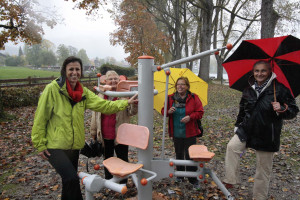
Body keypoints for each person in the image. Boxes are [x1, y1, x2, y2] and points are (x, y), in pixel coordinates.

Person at [31, 56, 138, 200]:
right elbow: (40, 117)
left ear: (81, 72)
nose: (74, 72)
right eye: (71, 69)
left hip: (74, 146)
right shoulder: (52, 89)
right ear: (64, 71)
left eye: (77, 69)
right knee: (71, 179)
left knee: (68, 181)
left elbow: (104, 106)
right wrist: (39, 143)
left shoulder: (83, 93)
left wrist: (125, 103)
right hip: (55, 145)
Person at [223, 60, 299, 200]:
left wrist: (282, 109)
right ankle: (231, 179)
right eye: (257, 71)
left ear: (270, 72)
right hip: (247, 130)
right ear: (253, 72)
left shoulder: (280, 89)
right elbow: (242, 109)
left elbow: (294, 110)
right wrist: (238, 124)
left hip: (267, 134)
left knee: (262, 170)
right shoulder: (248, 89)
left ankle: (259, 197)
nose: (260, 74)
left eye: (263, 71)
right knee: (232, 147)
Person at [90, 70, 138, 184]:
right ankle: (109, 180)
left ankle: (123, 182)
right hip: (105, 133)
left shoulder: (124, 95)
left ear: (119, 81)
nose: (113, 81)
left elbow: (131, 112)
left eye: (115, 79)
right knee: (107, 159)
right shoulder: (101, 95)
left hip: (120, 134)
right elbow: (95, 114)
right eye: (110, 79)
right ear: (105, 81)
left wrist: (135, 104)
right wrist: (93, 131)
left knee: (122, 158)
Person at [161, 77, 204, 187]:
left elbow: (200, 112)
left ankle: (192, 178)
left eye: (183, 84)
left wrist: (190, 117)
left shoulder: (194, 98)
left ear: (187, 86)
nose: (180, 86)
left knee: (190, 155)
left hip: (190, 132)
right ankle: (180, 175)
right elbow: (163, 112)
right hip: (176, 131)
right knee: (179, 153)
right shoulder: (170, 98)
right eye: (178, 84)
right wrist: (168, 111)